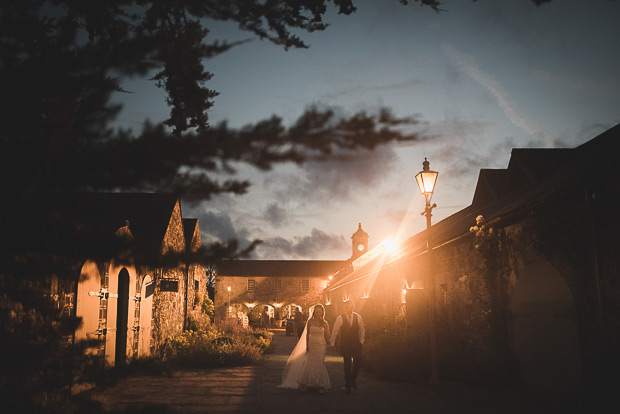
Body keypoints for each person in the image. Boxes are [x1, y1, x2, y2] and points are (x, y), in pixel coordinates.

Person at [279, 304, 331, 393]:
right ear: (314, 312)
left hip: (321, 344)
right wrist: (307, 345)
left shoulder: (325, 323)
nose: (318, 313)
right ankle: (308, 382)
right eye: (317, 312)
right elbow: (307, 334)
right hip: (312, 343)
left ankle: (319, 383)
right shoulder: (310, 321)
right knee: (310, 362)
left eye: (320, 312)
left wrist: (330, 341)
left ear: (322, 313)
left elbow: (328, 335)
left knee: (319, 363)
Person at [330, 300, 365, 394]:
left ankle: (352, 379)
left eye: (351, 306)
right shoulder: (340, 318)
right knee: (347, 365)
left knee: (358, 363)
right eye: (347, 307)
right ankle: (348, 385)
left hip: (356, 344)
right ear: (345, 307)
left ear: (353, 307)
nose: (349, 308)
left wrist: (361, 341)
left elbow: (362, 330)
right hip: (346, 345)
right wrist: (332, 343)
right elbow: (335, 331)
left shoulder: (358, 317)